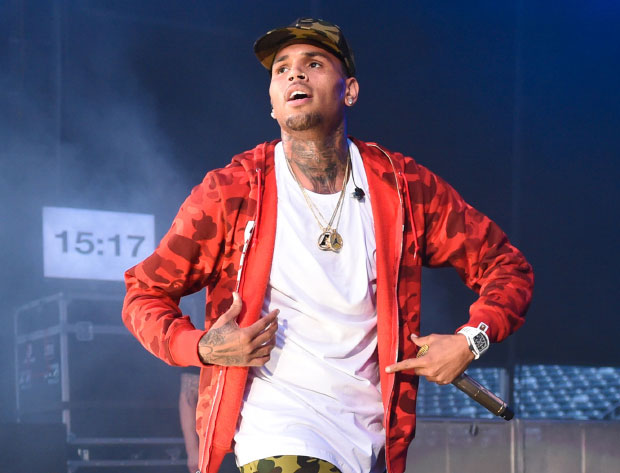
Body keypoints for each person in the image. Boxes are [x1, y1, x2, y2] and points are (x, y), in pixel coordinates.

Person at [122, 18, 534, 473]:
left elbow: (507, 268)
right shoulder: (233, 191)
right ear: (273, 103)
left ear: (349, 91)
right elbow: (143, 293)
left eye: (314, 63)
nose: (294, 74)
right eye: (281, 69)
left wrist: (470, 341)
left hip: (370, 437)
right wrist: (199, 347)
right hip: (276, 429)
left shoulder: (403, 188)